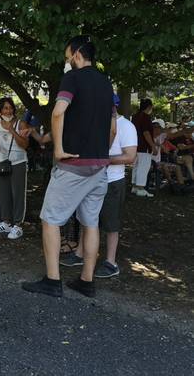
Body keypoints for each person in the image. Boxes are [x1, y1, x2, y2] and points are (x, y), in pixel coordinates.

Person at [22, 35, 116, 298]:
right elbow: (112, 128)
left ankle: (53, 280)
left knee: (50, 219)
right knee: (91, 223)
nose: (67, 62)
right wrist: (102, 153)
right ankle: (87, 281)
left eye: (67, 57)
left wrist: (60, 149)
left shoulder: (72, 79)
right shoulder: (107, 84)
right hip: (100, 166)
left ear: (76, 55)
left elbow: (57, 112)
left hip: (73, 164)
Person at [60, 93, 137, 278]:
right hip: (91, 178)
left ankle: (111, 262)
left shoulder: (126, 126)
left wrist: (103, 160)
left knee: (111, 223)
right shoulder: (96, 123)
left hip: (113, 181)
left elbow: (130, 156)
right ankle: (80, 253)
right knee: (86, 218)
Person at [0, 97, 31, 239]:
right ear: (0, 110)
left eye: (10, 107)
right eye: (5, 108)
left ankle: (18, 225)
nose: (8, 111)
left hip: (18, 162)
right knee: (4, 192)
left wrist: (12, 130)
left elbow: (25, 145)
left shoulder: (21, 124)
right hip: (3, 161)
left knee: (18, 193)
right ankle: (6, 222)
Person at [131, 98, 156, 197]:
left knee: (136, 166)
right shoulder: (146, 117)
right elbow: (146, 133)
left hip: (136, 145)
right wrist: (153, 146)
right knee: (143, 167)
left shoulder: (135, 116)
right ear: (149, 107)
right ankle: (140, 188)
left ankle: (135, 186)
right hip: (144, 146)